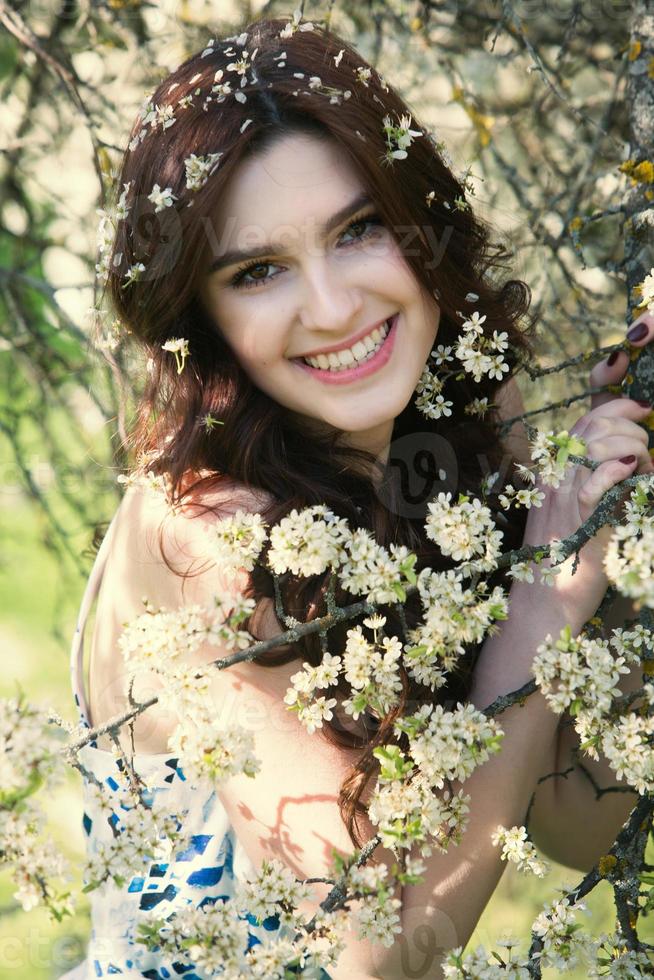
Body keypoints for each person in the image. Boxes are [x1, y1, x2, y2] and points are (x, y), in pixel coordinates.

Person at [62, 14, 652, 979]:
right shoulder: (207, 530)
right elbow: (369, 952)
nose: (334, 309)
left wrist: (599, 520)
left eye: (360, 229)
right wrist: (543, 598)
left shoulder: (455, 414)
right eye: (258, 272)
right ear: (198, 317)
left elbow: (585, 826)